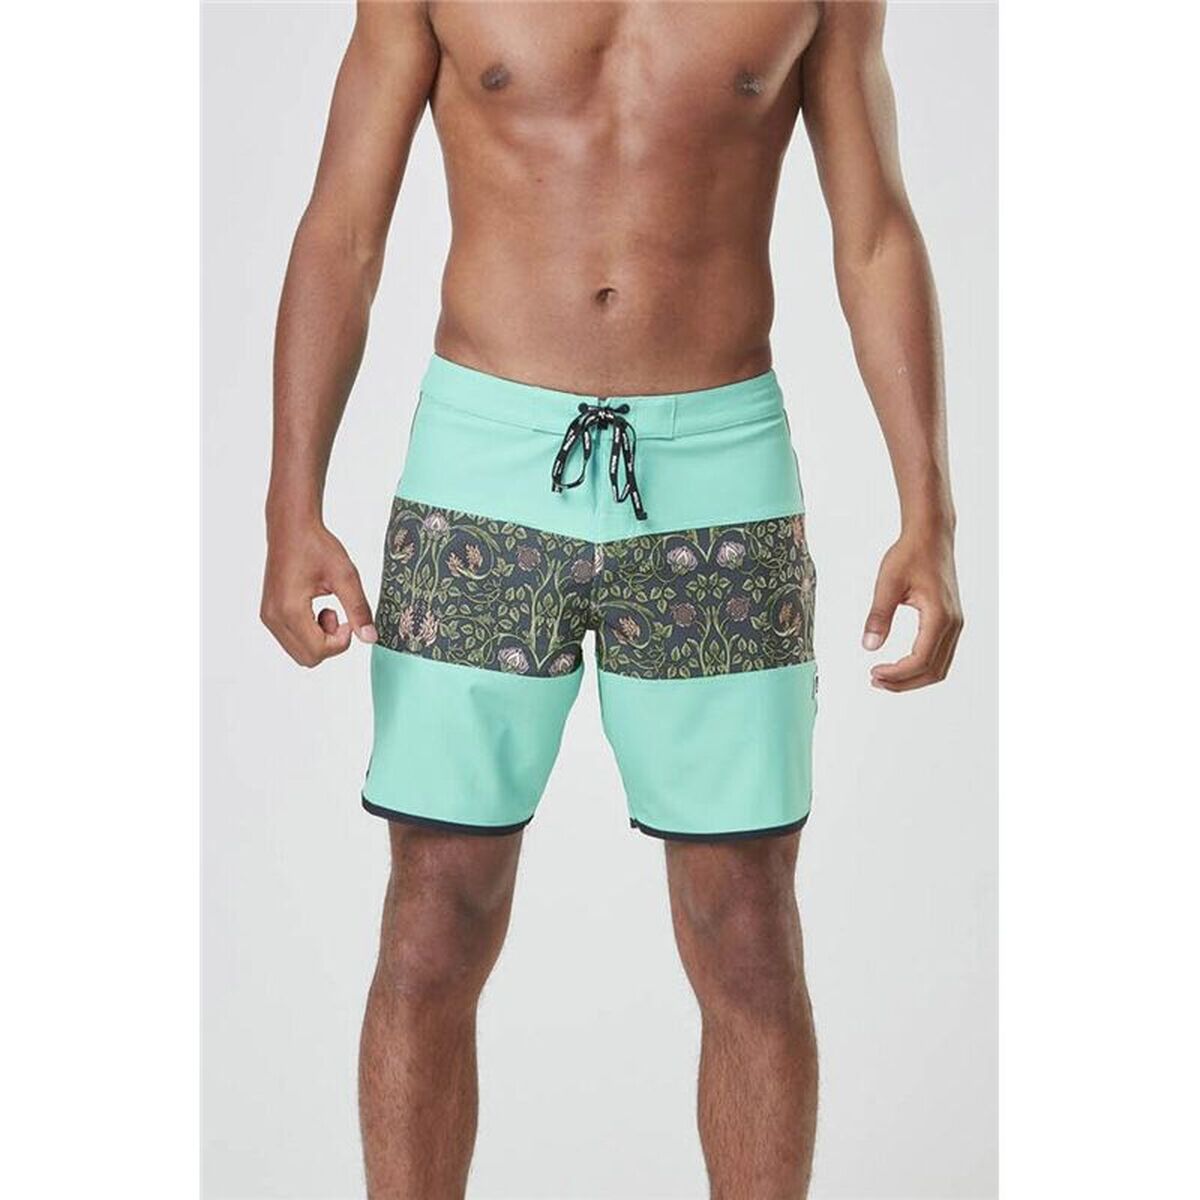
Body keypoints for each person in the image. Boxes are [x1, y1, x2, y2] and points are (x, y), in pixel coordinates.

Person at [260, 2, 963, 1196]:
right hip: (481, 466)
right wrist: (291, 506)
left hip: (721, 473)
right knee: (434, 916)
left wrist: (929, 515)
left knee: (747, 928)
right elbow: (345, 228)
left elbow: (876, 233)